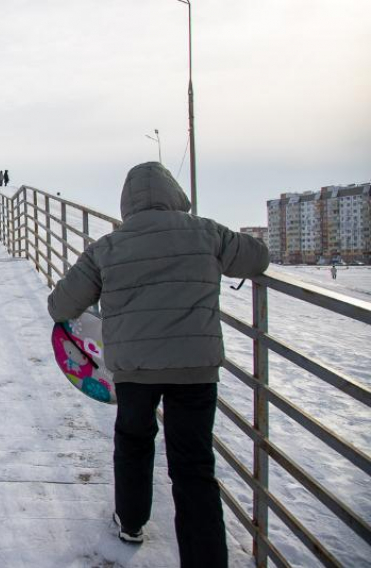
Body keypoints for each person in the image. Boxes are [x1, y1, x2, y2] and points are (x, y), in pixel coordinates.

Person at [47, 162, 269, 567]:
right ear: (174, 195)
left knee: (133, 442)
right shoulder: (207, 232)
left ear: (127, 202)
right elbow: (258, 257)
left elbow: (60, 305)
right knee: (194, 465)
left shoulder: (108, 247)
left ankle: (131, 522)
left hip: (134, 371)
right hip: (195, 369)